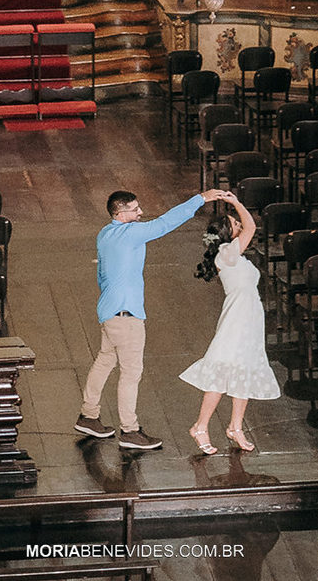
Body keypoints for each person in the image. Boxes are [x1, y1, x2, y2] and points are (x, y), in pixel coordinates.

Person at [76, 184, 224, 450]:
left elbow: (102, 276)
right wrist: (200, 199)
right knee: (131, 373)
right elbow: (166, 222)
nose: (141, 212)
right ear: (120, 214)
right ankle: (130, 430)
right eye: (134, 210)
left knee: (105, 361)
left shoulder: (105, 234)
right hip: (127, 315)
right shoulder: (131, 233)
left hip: (109, 312)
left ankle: (89, 415)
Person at [180, 193, 280, 454]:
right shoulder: (226, 252)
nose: (239, 225)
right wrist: (235, 203)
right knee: (221, 370)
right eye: (234, 223)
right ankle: (200, 426)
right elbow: (252, 226)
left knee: (243, 369)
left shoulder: (234, 255)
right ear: (227, 232)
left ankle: (235, 426)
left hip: (249, 317)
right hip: (237, 319)